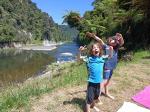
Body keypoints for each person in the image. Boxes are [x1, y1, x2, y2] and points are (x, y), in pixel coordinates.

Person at [86, 32, 124, 100]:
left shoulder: (116, 47)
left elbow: (121, 42)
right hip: (107, 67)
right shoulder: (105, 46)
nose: (113, 41)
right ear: (109, 40)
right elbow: (100, 40)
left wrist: (120, 37)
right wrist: (94, 36)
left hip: (113, 66)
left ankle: (106, 92)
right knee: (103, 82)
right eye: (112, 40)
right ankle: (97, 97)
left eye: (115, 40)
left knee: (108, 81)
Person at [78, 42, 113, 112]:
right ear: (91, 51)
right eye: (94, 48)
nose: (95, 49)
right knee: (89, 99)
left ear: (100, 50)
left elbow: (110, 56)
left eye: (97, 47)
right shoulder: (89, 59)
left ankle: (92, 106)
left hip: (99, 82)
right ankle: (88, 110)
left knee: (96, 97)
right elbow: (79, 58)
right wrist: (80, 51)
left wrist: (111, 50)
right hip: (91, 82)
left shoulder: (102, 58)